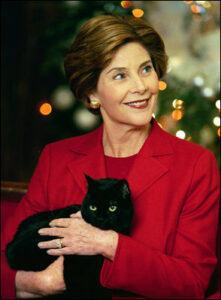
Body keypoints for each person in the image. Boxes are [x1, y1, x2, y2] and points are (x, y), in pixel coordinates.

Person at [1, 14, 219, 299]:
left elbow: (191, 283)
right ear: (92, 93)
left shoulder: (195, 165)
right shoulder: (58, 157)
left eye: (145, 69)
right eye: (120, 75)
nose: (141, 86)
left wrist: (109, 244)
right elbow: (6, 256)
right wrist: (40, 283)